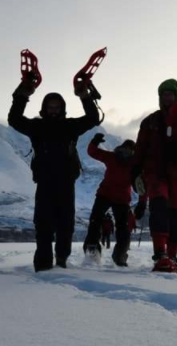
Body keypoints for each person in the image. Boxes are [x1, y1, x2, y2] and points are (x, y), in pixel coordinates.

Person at [8, 79, 100, 272]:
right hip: (44, 181)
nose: (53, 110)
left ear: (62, 108)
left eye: (57, 107)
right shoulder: (36, 126)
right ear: (44, 108)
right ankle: (43, 263)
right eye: (50, 107)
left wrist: (84, 95)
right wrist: (23, 93)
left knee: (66, 223)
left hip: (66, 181)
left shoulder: (71, 126)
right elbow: (14, 119)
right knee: (42, 223)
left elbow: (93, 118)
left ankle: (61, 259)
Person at [131, 79, 177, 272]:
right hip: (155, 173)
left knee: (176, 215)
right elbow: (140, 148)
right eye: (164, 94)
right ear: (160, 97)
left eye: (170, 94)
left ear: (176, 96)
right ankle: (160, 254)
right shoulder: (150, 121)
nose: (167, 97)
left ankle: (172, 255)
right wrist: (136, 171)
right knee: (159, 208)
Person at [82, 134, 134, 265]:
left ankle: (94, 249)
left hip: (107, 195)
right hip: (117, 197)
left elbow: (92, 152)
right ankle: (119, 254)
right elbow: (92, 152)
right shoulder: (133, 162)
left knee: (96, 220)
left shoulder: (113, 157)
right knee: (122, 227)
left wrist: (94, 142)